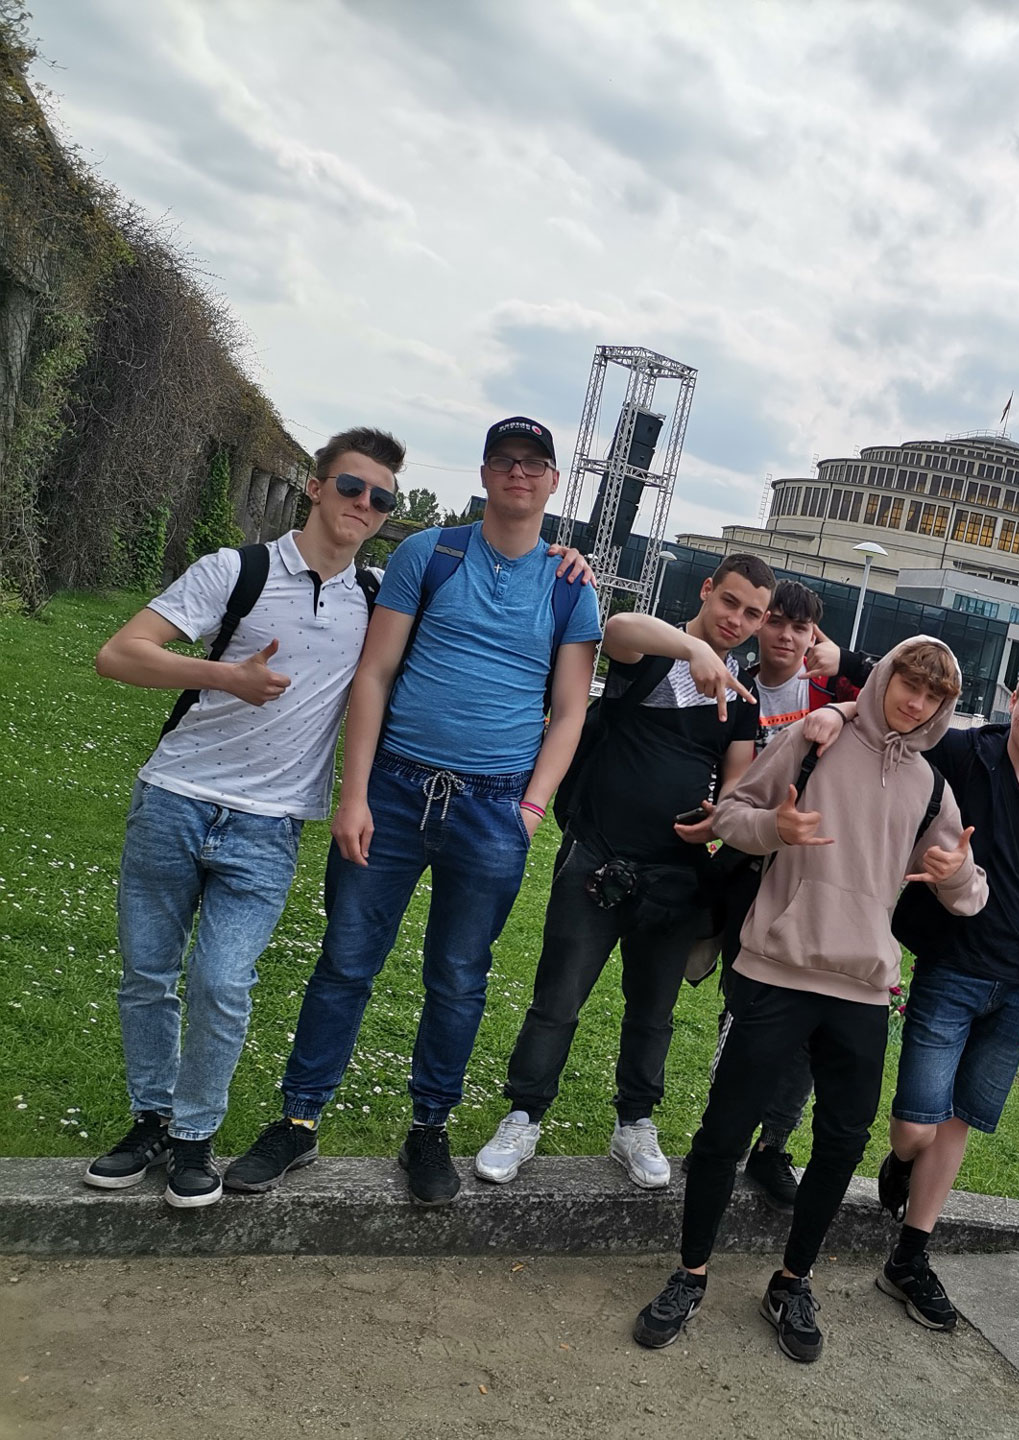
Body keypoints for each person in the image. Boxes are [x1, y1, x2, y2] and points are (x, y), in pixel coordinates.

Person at [225, 416, 601, 1206]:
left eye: (534, 463)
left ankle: (428, 1129)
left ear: (553, 481)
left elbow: (571, 712)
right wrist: (354, 792)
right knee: (345, 961)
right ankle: (298, 1121)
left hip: (493, 809)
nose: (519, 473)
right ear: (485, 473)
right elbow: (375, 672)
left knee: (459, 978)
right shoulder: (430, 554)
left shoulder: (569, 585)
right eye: (505, 460)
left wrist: (532, 809)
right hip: (395, 792)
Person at [631, 637, 987, 1364]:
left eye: (933, 696)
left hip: (863, 987)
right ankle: (690, 1274)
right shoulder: (814, 739)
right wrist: (775, 829)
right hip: (777, 968)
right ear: (885, 677)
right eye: (909, 684)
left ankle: (793, 1282)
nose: (916, 702)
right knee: (724, 1132)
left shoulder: (931, 785)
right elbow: (732, 814)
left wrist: (953, 874)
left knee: (842, 1144)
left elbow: (970, 895)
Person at [82, 428, 407, 1207]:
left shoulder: (377, 599)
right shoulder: (237, 569)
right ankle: (151, 1120)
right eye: (352, 486)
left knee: (222, 983)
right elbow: (118, 654)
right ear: (316, 488)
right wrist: (224, 676)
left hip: (270, 824)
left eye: (381, 498)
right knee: (148, 975)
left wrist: (563, 557)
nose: (364, 504)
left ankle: (195, 1135)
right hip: (176, 797)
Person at [472, 553, 774, 1189]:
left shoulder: (742, 697)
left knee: (653, 1013)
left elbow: (738, 783)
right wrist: (694, 649)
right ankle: (524, 1114)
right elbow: (617, 629)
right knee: (557, 999)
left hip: (676, 875)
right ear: (707, 590)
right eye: (730, 602)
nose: (737, 620)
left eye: (753, 614)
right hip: (597, 855)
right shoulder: (658, 653)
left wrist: (719, 818)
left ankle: (635, 1121)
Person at [858, 655, 1019, 1331]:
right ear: (1012, 701)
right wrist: (837, 700)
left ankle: (910, 1257)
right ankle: (901, 1161)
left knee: (959, 1119)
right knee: (916, 1125)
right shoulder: (966, 754)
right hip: (953, 966)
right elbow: (895, 727)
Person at [727, 578, 875, 1208]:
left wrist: (848, 667)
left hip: (816, 878)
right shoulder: (731, 682)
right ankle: (727, 1135)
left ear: (815, 634)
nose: (785, 636)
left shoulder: (832, 692)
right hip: (745, 870)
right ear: (759, 623)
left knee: (811, 1032)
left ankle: (773, 1145)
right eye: (775, 621)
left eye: (800, 626)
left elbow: (907, 700)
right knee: (745, 1017)